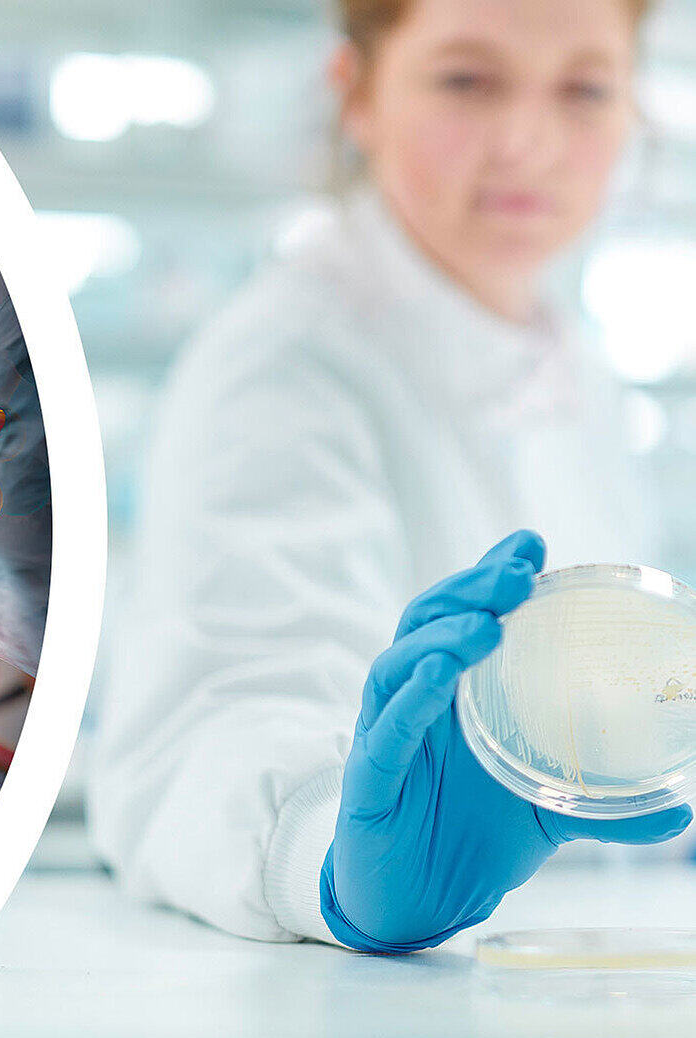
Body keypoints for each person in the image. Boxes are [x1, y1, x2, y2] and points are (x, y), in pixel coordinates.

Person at [87, 0, 694, 953]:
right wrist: (325, 859)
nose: (528, 143)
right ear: (357, 96)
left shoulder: (574, 361)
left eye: (583, 89)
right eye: (466, 80)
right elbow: (212, 727)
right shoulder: (284, 360)